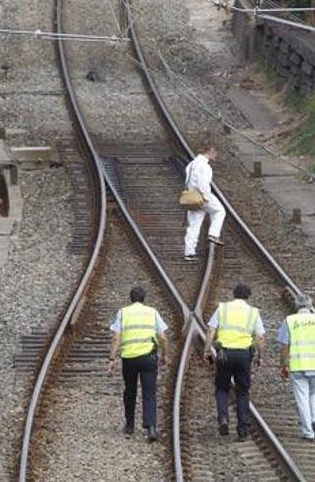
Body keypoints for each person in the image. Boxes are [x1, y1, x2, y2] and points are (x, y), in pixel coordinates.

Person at [203, 284, 265, 441]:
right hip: (244, 355)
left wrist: (207, 350)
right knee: (242, 392)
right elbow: (260, 337)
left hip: (224, 353)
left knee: (222, 388)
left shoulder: (223, 308)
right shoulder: (253, 312)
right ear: (248, 296)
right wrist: (259, 356)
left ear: (233, 294)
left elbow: (211, 330)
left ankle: (223, 417)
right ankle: (242, 430)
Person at [108, 286, 169, 442]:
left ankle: (129, 426)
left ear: (131, 298)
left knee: (130, 390)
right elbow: (162, 337)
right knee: (149, 392)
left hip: (129, 358)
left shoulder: (123, 313)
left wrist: (112, 359)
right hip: (148, 358)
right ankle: (151, 428)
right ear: (144, 298)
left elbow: (116, 337)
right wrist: (165, 355)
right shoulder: (152, 312)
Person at [277, 294, 315, 441]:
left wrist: (283, 365)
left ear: (296, 305)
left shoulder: (289, 321)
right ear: (310, 306)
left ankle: (308, 432)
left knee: (302, 398)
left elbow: (284, 347)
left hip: (297, 366)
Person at [184, 146, 226, 262]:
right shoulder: (205, 166)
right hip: (201, 196)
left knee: (193, 225)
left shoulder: (191, 164)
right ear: (210, 150)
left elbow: (187, 180)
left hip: (191, 197)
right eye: (215, 152)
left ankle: (189, 253)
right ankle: (213, 234)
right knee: (219, 211)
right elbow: (203, 185)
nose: (216, 155)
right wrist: (207, 199)